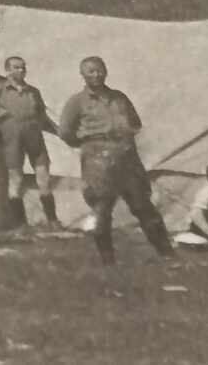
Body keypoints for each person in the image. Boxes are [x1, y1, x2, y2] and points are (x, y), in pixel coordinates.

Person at [59, 56, 174, 266]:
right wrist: (91, 144)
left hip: (127, 157)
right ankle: (108, 260)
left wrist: (123, 138)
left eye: (100, 70)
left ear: (106, 71)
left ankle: (166, 253)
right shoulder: (76, 102)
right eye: (91, 71)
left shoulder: (119, 97)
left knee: (142, 205)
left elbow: (136, 123)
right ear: (82, 75)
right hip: (98, 161)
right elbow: (65, 132)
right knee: (102, 208)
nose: (97, 75)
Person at [0, 56, 61, 229]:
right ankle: (20, 225)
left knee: (44, 179)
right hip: (13, 142)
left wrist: (59, 131)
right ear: (8, 70)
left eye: (23, 67)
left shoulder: (33, 92)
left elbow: (42, 117)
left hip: (35, 139)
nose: (21, 70)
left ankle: (53, 221)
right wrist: (3, 131)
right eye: (17, 67)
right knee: (16, 180)